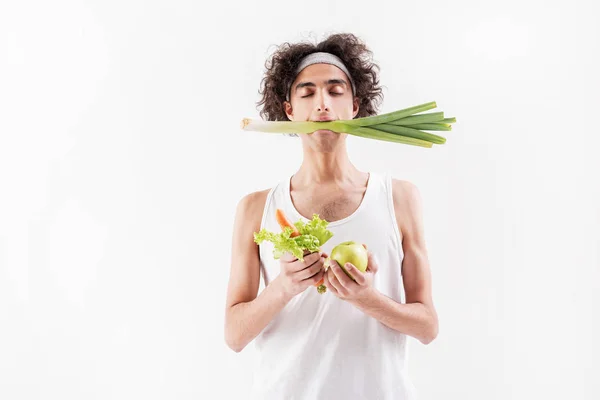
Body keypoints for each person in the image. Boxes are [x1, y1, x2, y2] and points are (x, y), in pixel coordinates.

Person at [224, 32, 439, 399]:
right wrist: (284, 286)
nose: (322, 104)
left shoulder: (398, 197)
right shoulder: (256, 208)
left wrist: (366, 298)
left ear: (355, 105)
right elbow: (234, 334)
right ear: (289, 111)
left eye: (335, 91)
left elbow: (427, 326)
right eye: (307, 93)